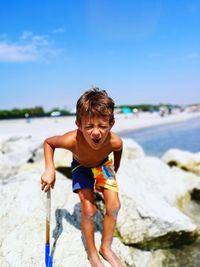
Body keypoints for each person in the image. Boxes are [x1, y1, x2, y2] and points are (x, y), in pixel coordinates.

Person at [41, 87, 123, 267]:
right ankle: (92, 254)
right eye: (89, 126)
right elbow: (48, 142)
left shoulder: (114, 141)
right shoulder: (71, 140)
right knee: (89, 211)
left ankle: (106, 248)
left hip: (103, 165)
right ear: (78, 124)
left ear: (111, 123)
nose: (96, 132)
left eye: (102, 126)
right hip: (81, 167)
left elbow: (118, 149)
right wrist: (50, 169)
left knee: (114, 206)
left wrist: (116, 166)